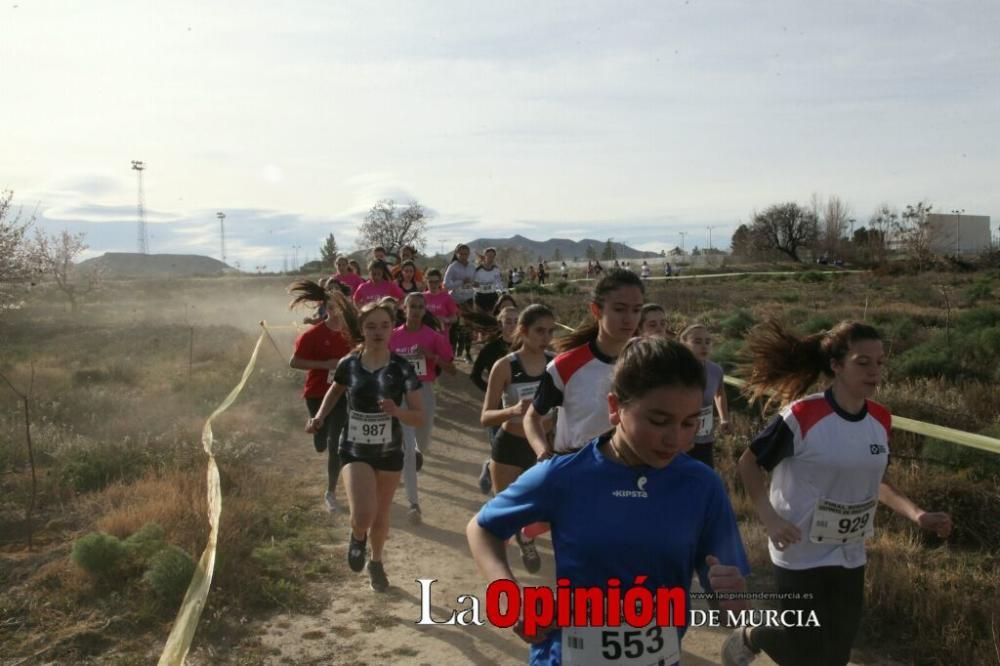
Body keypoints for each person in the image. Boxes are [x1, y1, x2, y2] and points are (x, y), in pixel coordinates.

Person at [468, 337, 751, 666]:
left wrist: (733, 599)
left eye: (689, 422)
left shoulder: (703, 486)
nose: (675, 438)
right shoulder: (564, 475)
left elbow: (731, 604)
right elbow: (482, 528)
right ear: (615, 407)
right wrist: (509, 594)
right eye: (659, 421)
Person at [722, 320, 954, 666]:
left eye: (880, 362)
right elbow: (748, 464)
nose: (874, 371)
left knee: (836, 654)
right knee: (805, 653)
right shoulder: (802, 415)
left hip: (849, 552)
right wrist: (770, 519)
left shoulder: (880, 419)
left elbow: (877, 482)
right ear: (836, 365)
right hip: (799, 550)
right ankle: (752, 635)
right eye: (863, 362)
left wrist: (917, 514)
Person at [306, 299, 424, 593]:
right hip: (355, 449)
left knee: (382, 514)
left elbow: (419, 415)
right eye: (371, 326)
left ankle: (376, 562)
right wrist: (319, 417)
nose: (378, 331)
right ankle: (358, 535)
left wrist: (397, 412)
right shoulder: (349, 363)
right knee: (363, 514)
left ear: (392, 329)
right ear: (361, 329)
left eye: (384, 325)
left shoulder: (402, 368)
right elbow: (335, 391)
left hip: (389, 451)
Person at [524, 268, 644, 459]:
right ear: (596, 310)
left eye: (636, 310)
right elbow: (532, 417)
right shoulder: (565, 366)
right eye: (619, 309)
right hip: (574, 472)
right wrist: (542, 453)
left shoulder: (648, 364)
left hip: (630, 473)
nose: (629, 318)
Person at [480, 305, 556, 572]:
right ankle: (502, 577)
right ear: (522, 331)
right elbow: (485, 416)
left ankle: (527, 536)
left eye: (550, 331)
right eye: (539, 331)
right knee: (505, 517)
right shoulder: (505, 366)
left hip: (544, 447)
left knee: (548, 511)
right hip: (509, 446)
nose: (545, 337)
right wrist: (511, 410)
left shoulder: (555, 363)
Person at [288, 280, 357, 512]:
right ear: (325, 308)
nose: (336, 310)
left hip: (343, 393)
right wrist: (325, 364)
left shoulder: (354, 332)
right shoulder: (313, 335)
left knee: (337, 441)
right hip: (317, 392)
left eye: (340, 305)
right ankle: (318, 430)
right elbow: (295, 362)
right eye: (331, 306)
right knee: (321, 441)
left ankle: (331, 491)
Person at [390, 293, 455, 525]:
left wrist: (432, 357)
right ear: (404, 309)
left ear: (425, 310)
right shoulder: (393, 336)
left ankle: (412, 460)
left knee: (422, 442)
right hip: (399, 392)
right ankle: (413, 502)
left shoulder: (433, 337)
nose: (416, 310)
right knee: (407, 446)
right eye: (412, 306)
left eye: (420, 307)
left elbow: (452, 369)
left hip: (423, 389)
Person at [471, 306, 520, 494]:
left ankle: (491, 466)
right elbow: (475, 375)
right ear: (500, 323)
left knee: (516, 451)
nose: (512, 325)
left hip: (522, 408)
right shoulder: (491, 348)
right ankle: (492, 467)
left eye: (516, 321)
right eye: (508, 321)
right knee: (500, 449)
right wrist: (493, 391)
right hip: (498, 409)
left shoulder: (526, 348)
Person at [679, 324, 730, 469]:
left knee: (703, 478)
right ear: (684, 343)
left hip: (705, 437)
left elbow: (719, 393)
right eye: (697, 341)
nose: (704, 346)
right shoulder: (674, 369)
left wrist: (724, 418)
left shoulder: (715, 370)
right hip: (678, 437)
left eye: (708, 342)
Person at [444, 243, 476, 363]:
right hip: (455, 300)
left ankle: (467, 353)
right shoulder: (452, 267)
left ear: (469, 254)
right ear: (457, 254)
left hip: (468, 299)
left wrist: (474, 284)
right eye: (461, 254)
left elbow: (476, 282)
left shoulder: (472, 267)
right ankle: (452, 353)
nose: (463, 256)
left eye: (466, 254)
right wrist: (460, 282)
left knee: (468, 328)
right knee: (454, 327)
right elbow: (446, 284)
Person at [422, 268, 458, 334]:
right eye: (430, 282)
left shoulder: (447, 297)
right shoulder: (422, 297)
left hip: (442, 334)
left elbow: (455, 318)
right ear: (426, 281)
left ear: (440, 282)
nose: (433, 284)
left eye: (436, 282)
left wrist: (446, 319)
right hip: (425, 334)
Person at [473, 247, 505, 315]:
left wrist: (502, 292)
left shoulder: (496, 270)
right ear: (485, 256)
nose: (491, 258)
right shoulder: (478, 270)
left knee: (492, 318)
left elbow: (498, 282)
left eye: (493, 256)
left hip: (492, 296)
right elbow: (473, 284)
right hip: (480, 297)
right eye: (489, 256)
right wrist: (478, 285)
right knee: (481, 319)